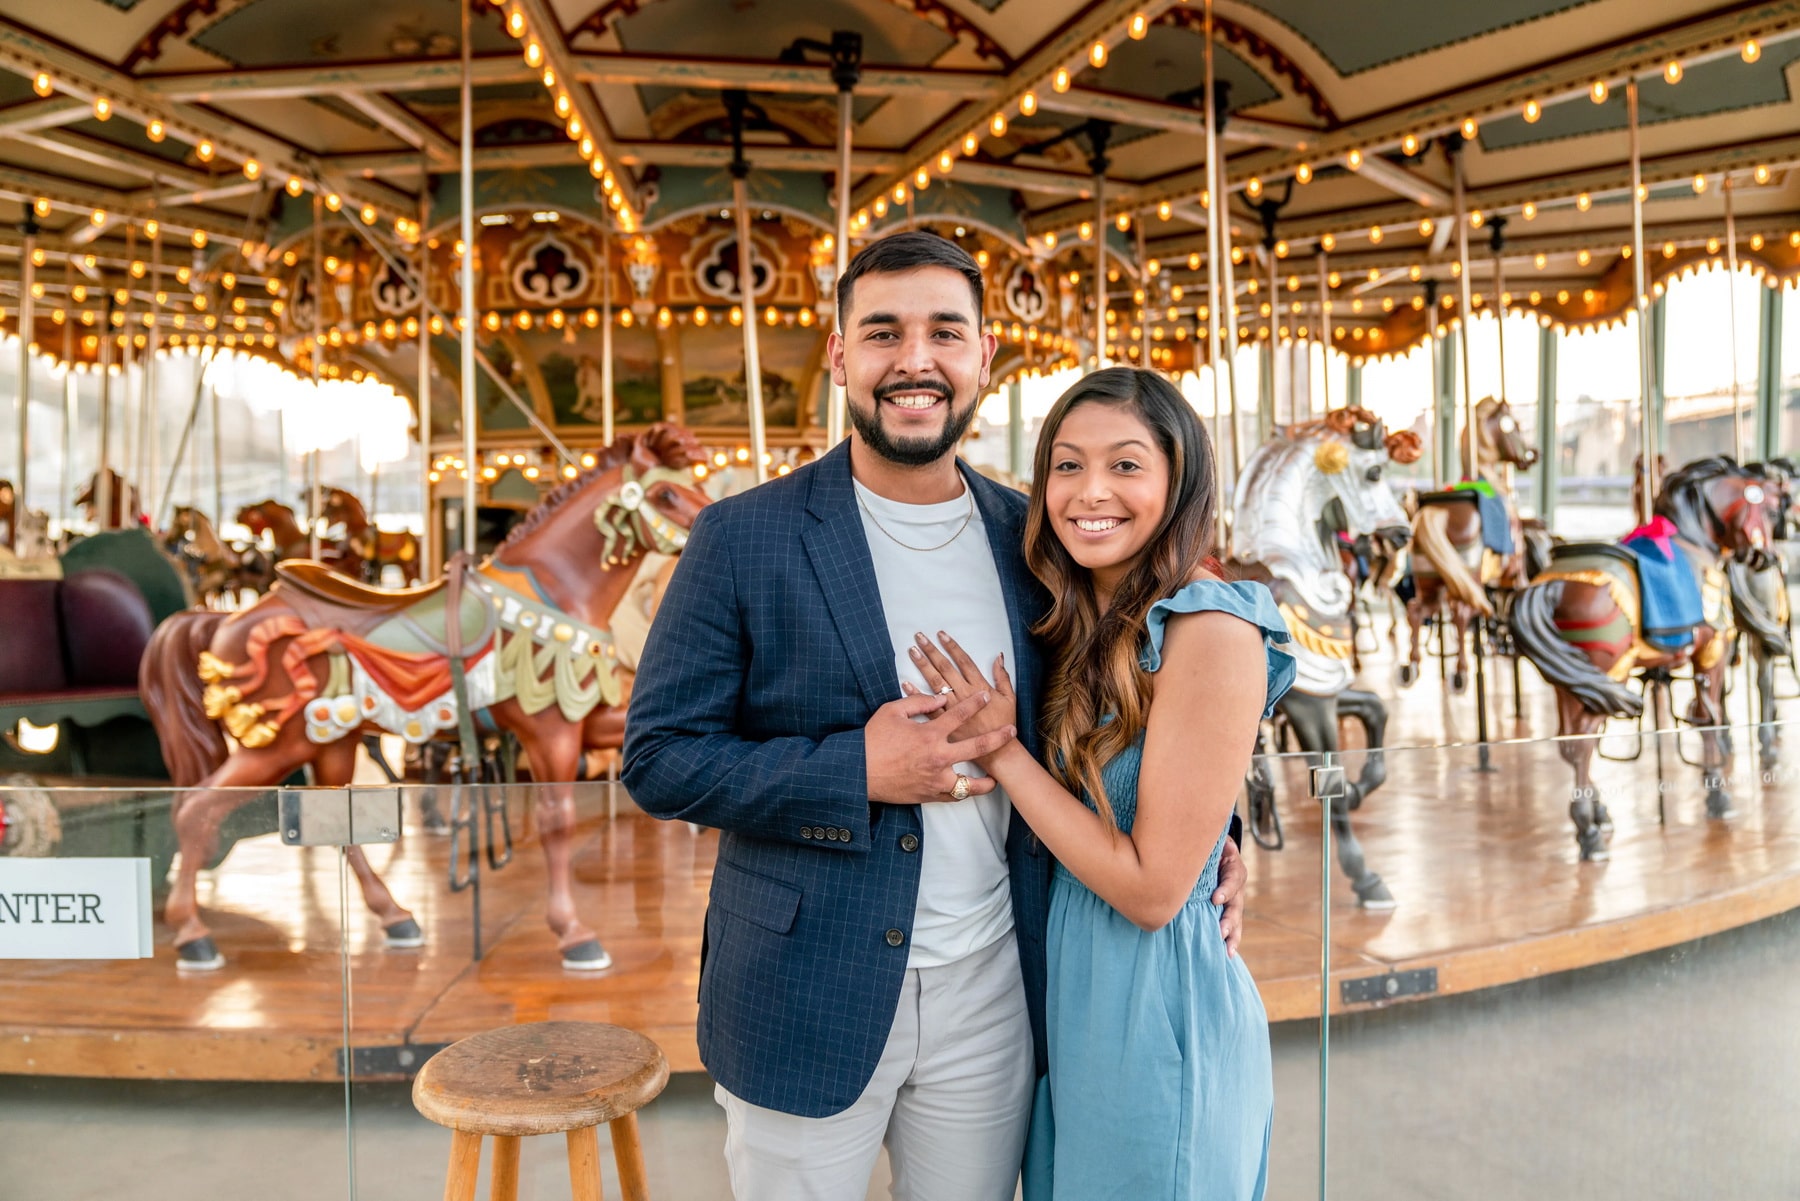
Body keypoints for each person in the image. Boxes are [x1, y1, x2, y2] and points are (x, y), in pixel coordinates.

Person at [622, 230, 1248, 1201]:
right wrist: (855, 771)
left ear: (984, 357)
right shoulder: (742, 537)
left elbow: (1127, 695)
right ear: (839, 356)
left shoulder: (1033, 536)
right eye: (883, 333)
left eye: (944, 332)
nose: (915, 360)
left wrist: (1216, 837)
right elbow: (661, 758)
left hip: (993, 987)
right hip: (804, 984)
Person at [908, 367, 1294, 1199]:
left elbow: (1154, 890)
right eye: (1067, 465)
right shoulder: (1084, 615)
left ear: (1178, 480)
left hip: (1156, 1006)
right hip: (1073, 1006)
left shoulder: (1212, 628)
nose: (1091, 492)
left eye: (1125, 465)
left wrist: (1001, 750)